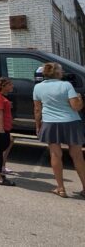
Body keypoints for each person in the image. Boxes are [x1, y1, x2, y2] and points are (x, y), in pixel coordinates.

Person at [33, 62, 85, 198]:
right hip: (70, 122)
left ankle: (61, 188)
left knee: (55, 155)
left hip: (50, 123)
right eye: (61, 71)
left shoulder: (37, 87)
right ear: (57, 73)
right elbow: (76, 107)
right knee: (77, 156)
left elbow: (37, 109)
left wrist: (38, 125)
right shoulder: (66, 85)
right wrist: (80, 99)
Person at [0, 77, 15, 175]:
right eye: (9, 84)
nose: (12, 86)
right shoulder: (0, 97)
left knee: (9, 142)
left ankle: (1, 166)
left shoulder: (6, 97)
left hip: (6, 125)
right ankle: (0, 166)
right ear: (3, 86)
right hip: (1, 126)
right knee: (8, 142)